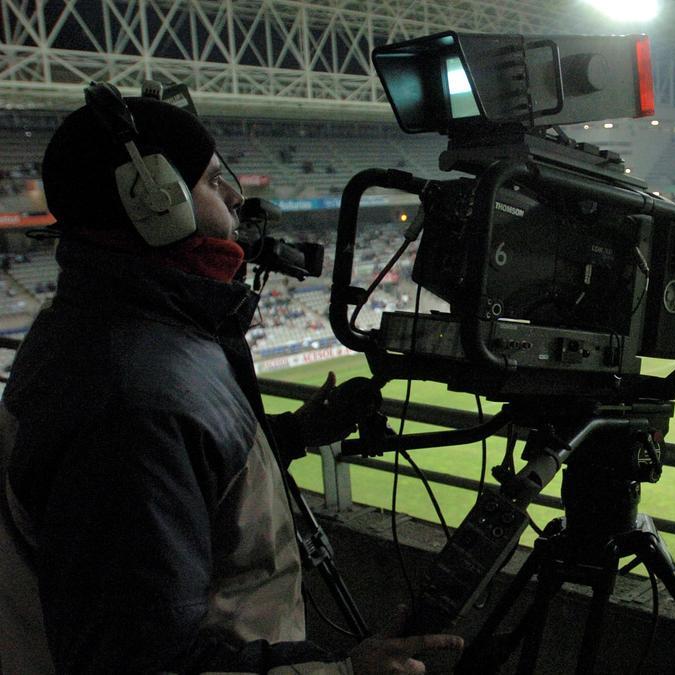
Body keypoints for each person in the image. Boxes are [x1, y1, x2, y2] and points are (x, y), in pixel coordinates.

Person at [0, 90, 462, 673]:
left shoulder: (114, 332)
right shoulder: (136, 399)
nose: (237, 197)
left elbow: (178, 494)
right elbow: (138, 660)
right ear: (156, 204)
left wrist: (290, 436)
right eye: (214, 181)